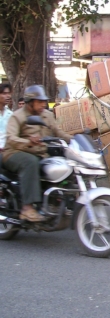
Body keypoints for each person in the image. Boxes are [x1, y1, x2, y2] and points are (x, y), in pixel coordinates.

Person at [2, 85, 72, 222]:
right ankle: (27, 208)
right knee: (30, 162)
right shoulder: (17, 116)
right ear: (30, 102)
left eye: (44, 101)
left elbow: (58, 132)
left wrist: (74, 140)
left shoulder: (48, 115)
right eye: (39, 102)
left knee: (64, 163)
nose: (43, 104)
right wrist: (28, 141)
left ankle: (57, 201)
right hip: (14, 153)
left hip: (40, 153)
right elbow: (10, 138)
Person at [0, 83, 13, 152]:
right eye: (4, 93)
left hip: (7, 151)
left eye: (9, 93)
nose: (8, 96)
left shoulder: (10, 114)